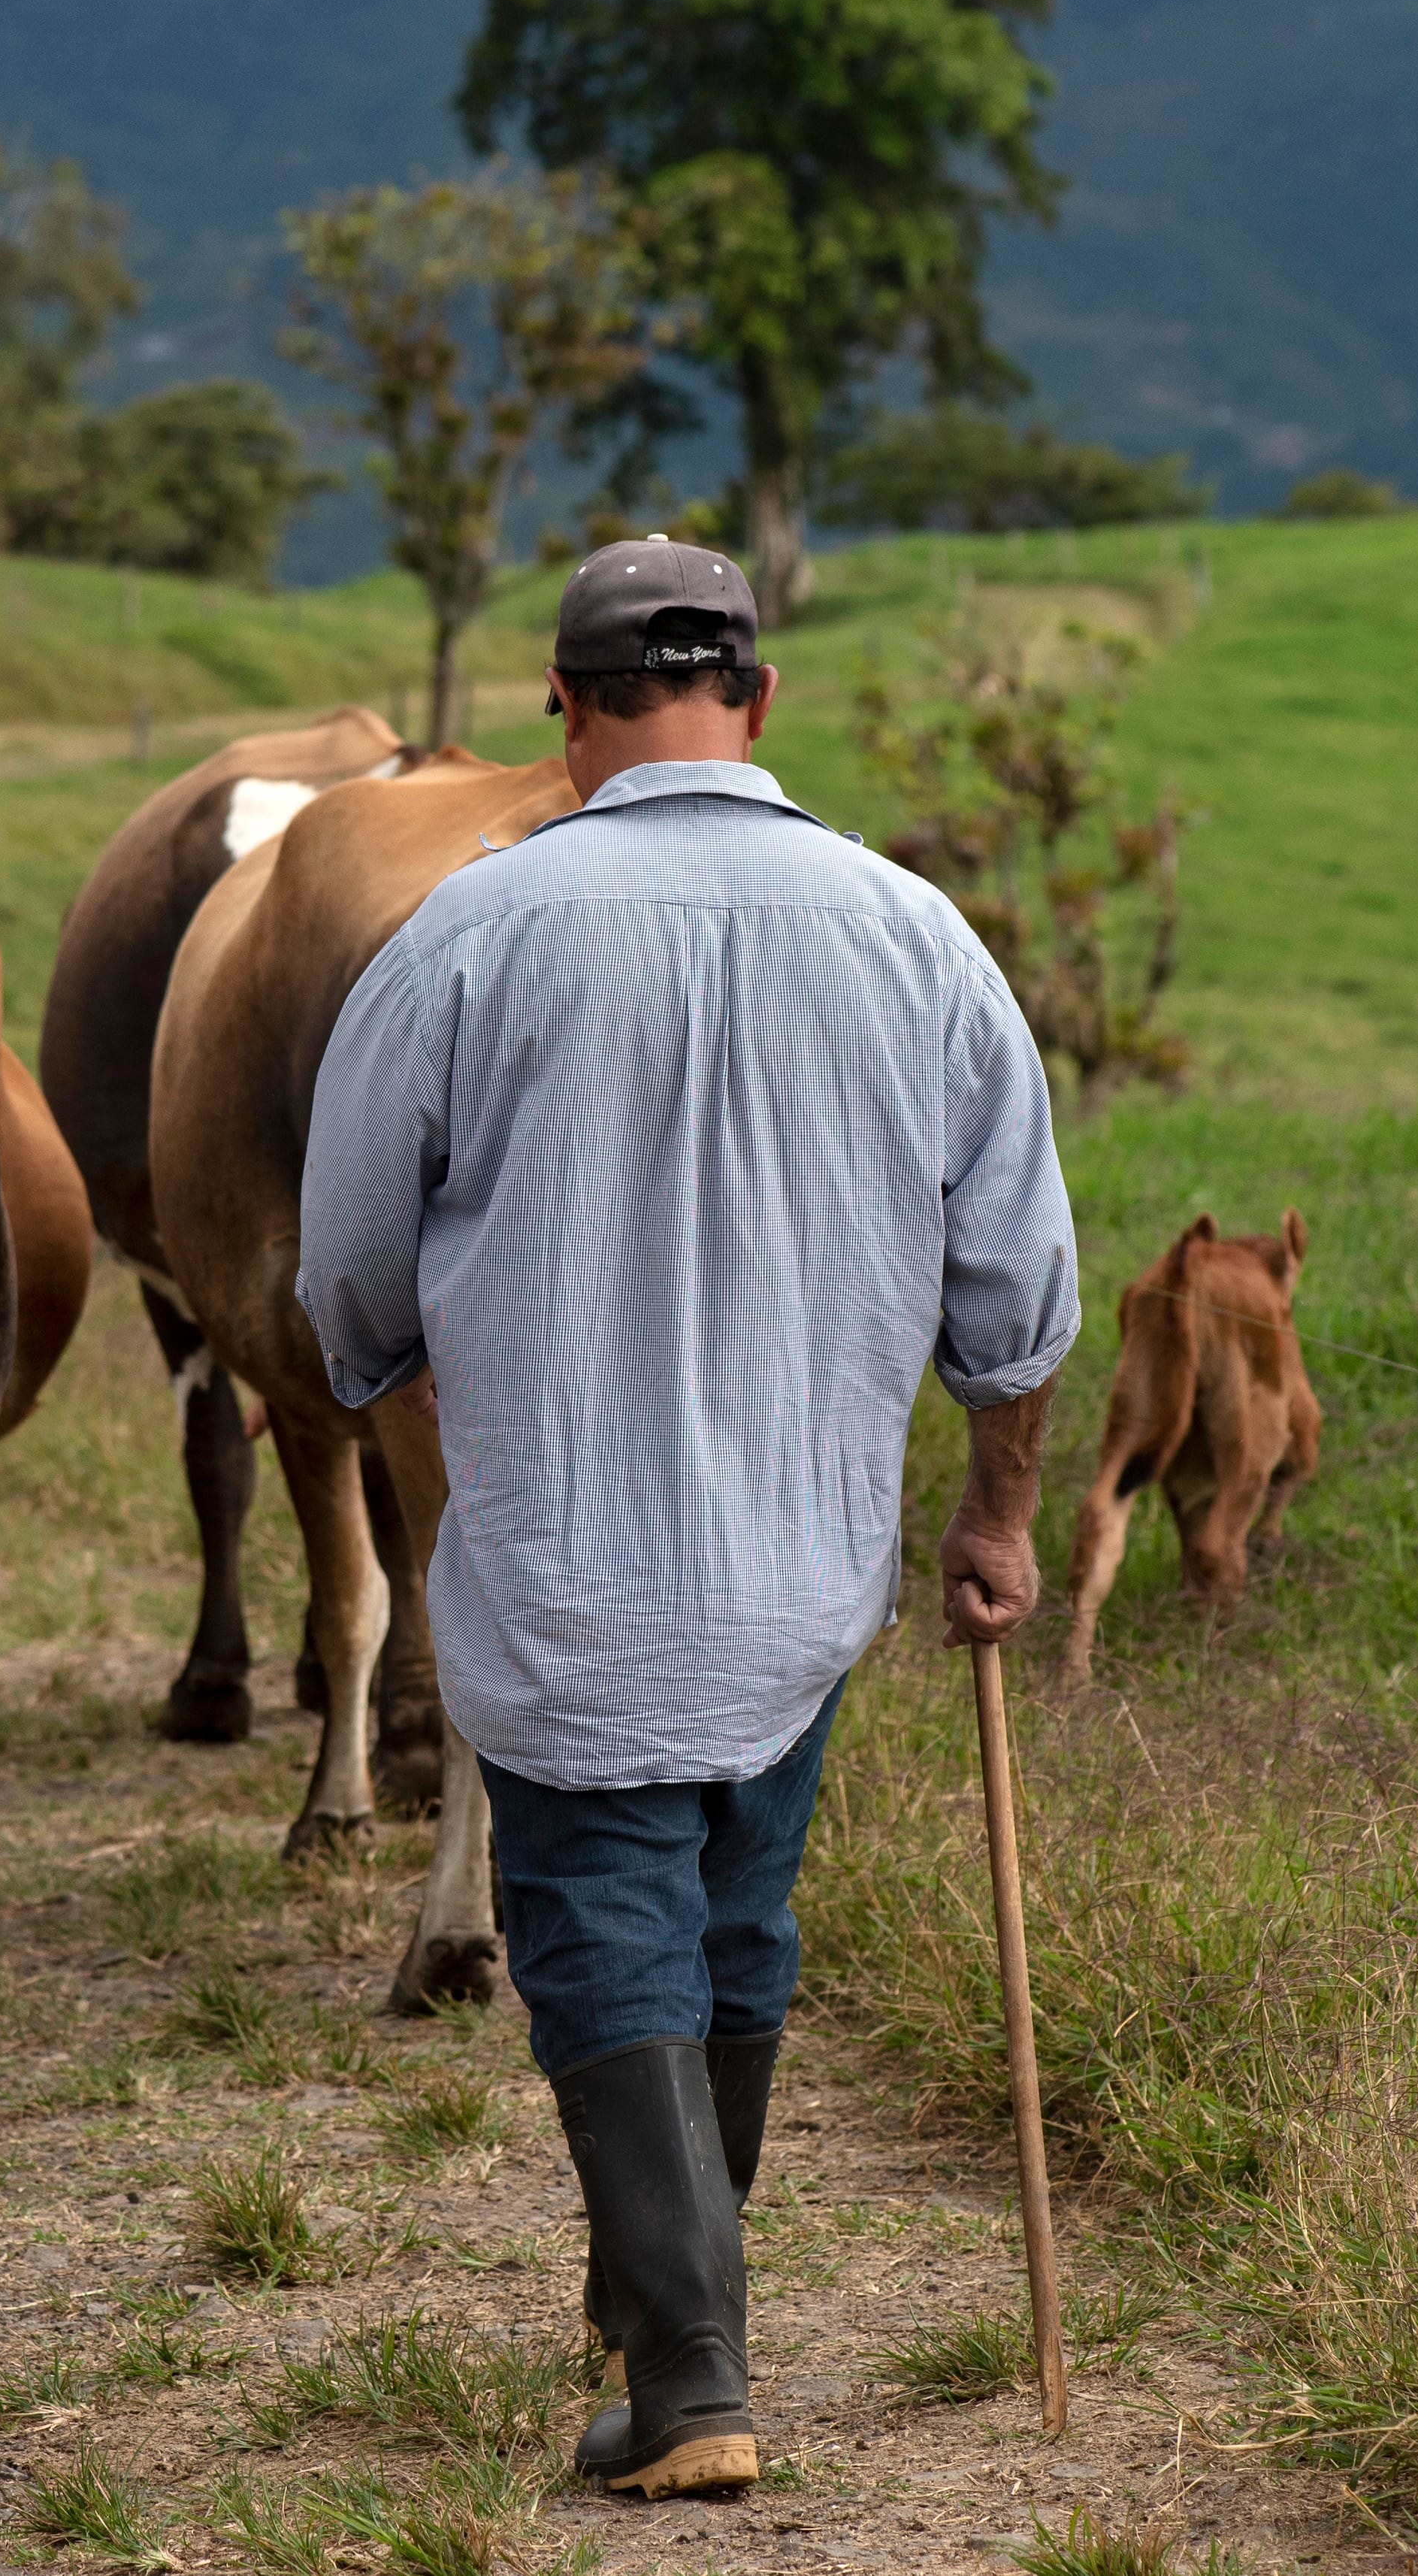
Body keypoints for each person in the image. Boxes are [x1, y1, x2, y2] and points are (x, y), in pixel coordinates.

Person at [296, 537, 1079, 2499]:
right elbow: (1020, 1290)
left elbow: (350, 1274)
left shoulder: (462, 940)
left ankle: (690, 2370)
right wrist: (997, 1517)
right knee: (733, 1910)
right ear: (761, 696)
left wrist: (404, 1371)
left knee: (601, 1925)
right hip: (806, 1565)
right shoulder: (920, 937)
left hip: (566, 1554)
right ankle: (666, 2303)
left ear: (566, 712)